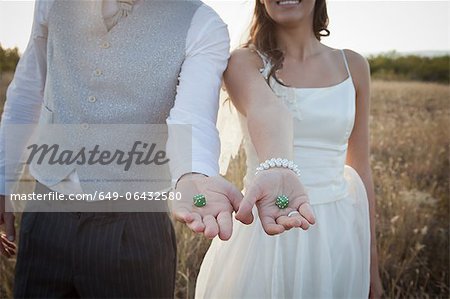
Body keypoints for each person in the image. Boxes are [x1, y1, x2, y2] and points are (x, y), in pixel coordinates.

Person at [0, 0, 243, 297]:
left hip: (134, 230)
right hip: (46, 216)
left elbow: (193, 118)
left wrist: (192, 174)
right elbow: (27, 93)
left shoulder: (202, 24)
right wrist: (2, 181)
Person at [196, 0, 383, 298]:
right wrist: (279, 168)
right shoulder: (244, 62)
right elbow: (265, 109)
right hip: (266, 227)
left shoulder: (354, 65)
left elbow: (361, 169)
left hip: (339, 232)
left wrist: (371, 263)